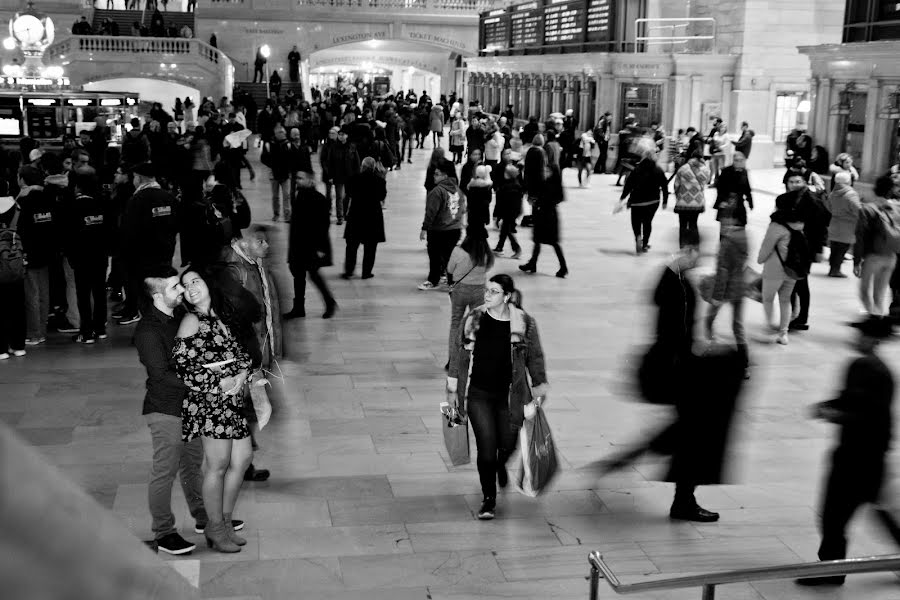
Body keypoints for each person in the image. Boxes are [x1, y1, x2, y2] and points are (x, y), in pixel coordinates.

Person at [797, 316, 895, 586]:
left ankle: (830, 570)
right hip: (865, 455)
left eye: (862, 334)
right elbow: (851, 400)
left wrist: (835, 414)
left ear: (875, 340)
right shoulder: (864, 366)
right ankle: (831, 568)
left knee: (834, 516)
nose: (856, 338)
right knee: (871, 508)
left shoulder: (872, 369)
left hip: (858, 457)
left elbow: (866, 414)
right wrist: (828, 406)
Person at [446, 274, 548, 520]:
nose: (487, 295)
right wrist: (452, 390)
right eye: (487, 290)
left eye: (494, 291)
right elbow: (458, 352)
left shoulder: (524, 323)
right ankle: (488, 499)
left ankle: (501, 464)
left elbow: (534, 356)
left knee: (508, 443)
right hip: (479, 393)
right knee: (487, 449)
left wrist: (539, 382)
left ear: (507, 296)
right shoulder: (474, 318)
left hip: (511, 395)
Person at [135, 269, 217, 556]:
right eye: (174, 288)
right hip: (165, 410)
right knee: (164, 473)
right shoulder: (147, 331)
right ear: (158, 295)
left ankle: (205, 519)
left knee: (192, 466)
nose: (181, 292)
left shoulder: (180, 317)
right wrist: (206, 382)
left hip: (189, 406)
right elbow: (161, 375)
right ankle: (164, 533)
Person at [174, 269, 253, 553]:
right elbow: (182, 368)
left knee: (242, 458)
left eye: (196, 280)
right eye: (185, 285)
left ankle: (225, 521)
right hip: (208, 403)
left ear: (208, 283)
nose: (191, 287)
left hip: (231, 401)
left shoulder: (221, 315)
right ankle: (215, 528)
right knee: (218, 465)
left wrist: (243, 375)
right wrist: (219, 383)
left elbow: (241, 353)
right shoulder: (191, 321)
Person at [220, 225, 281, 483]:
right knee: (247, 409)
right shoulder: (236, 270)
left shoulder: (253, 264)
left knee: (252, 408)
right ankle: (240, 463)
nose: (266, 246)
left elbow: (269, 310)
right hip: (246, 353)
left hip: (257, 350)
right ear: (242, 242)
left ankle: (243, 461)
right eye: (260, 241)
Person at [119, 162, 179, 325]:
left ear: (138, 178)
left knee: (145, 295)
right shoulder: (168, 197)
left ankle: (151, 329)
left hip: (142, 258)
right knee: (162, 292)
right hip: (165, 253)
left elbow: (128, 230)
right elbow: (176, 224)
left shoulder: (137, 199)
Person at [284, 168, 337, 319]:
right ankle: (299, 308)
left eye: (301, 178)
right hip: (298, 245)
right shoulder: (299, 195)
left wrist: (321, 248)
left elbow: (323, 226)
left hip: (311, 247)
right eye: (297, 178)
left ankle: (330, 302)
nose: (297, 181)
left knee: (313, 275)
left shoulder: (319, 199)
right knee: (299, 276)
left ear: (310, 180)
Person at [705, 198, 750, 374]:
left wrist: (717, 295)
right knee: (738, 326)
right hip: (740, 287)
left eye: (725, 217)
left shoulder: (727, 241)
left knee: (709, 319)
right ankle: (744, 364)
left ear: (733, 219)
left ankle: (709, 347)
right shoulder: (745, 236)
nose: (722, 221)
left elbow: (723, 270)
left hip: (725, 288)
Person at [65, 169, 110, 344]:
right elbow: (110, 230)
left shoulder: (73, 207)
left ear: (77, 187)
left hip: (81, 258)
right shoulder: (103, 204)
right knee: (99, 292)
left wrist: (70, 255)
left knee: (83, 294)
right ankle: (100, 328)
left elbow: (69, 235)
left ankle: (86, 331)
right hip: (100, 256)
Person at [447, 223, 494, 370]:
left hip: (460, 290)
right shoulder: (486, 254)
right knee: (476, 326)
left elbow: (449, 269)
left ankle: (453, 361)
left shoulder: (458, 251)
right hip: (479, 291)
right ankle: (478, 359)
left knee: (456, 323)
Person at [757, 202, 804, 345]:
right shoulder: (800, 225)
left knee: (768, 298)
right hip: (792, 270)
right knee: (785, 300)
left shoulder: (776, 226)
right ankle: (784, 333)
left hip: (774, 269)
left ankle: (771, 325)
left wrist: (760, 260)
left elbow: (766, 248)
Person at [18, 165, 54, 346]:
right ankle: (42, 329)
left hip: (29, 252)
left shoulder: (23, 201)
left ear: (23, 180)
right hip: (46, 251)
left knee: (31, 294)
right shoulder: (47, 197)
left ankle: (33, 333)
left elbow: (20, 227)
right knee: (43, 292)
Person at [854, 175, 900, 317]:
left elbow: (860, 237)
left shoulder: (867, 209)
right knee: (879, 294)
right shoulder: (896, 208)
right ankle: (878, 319)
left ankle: (873, 321)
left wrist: (857, 261)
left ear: (875, 189)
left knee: (864, 291)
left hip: (874, 256)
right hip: (891, 256)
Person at [418, 160, 465, 291]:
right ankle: (452, 282)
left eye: (437, 174)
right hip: (454, 229)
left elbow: (430, 212)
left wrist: (424, 228)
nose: (434, 176)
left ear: (445, 175)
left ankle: (433, 280)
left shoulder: (437, 191)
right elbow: (462, 209)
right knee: (449, 256)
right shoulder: (457, 190)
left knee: (435, 256)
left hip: (438, 230)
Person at [519, 163, 568, 278]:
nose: (546, 173)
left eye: (548, 171)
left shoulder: (554, 184)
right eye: (545, 171)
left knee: (553, 242)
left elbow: (556, 198)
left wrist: (540, 203)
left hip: (548, 216)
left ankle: (563, 267)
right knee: (538, 240)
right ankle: (533, 263)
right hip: (542, 215)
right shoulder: (547, 182)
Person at [342, 157, 386, 279]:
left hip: (356, 214)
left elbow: (349, 193)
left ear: (362, 166)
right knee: (370, 247)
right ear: (373, 168)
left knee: (351, 245)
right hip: (373, 216)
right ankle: (366, 272)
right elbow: (382, 196)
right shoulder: (380, 181)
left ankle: (349, 271)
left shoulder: (353, 179)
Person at [620, 145, 668, 255]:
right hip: (653, 201)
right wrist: (665, 201)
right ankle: (645, 244)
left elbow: (629, 185)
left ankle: (638, 236)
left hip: (637, 201)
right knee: (647, 222)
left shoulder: (637, 169)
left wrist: (622, 197)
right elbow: (664, 186)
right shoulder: (658, 170)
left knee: (636, 221)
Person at [0, 184, 25, 360]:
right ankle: (18, 345)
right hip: (15, 260)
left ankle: (1, 348)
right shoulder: (16, 207)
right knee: (17, 305)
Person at [825, 171, 860, 278]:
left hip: (835, 223)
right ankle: (836, 270)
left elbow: (829, 207)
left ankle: (832, 269)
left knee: (834, 248)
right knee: (842, 248)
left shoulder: (833, 193)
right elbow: (858, 209)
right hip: (848, 225)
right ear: (848, 180)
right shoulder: (850, 194)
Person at [672, 149, 710, 249]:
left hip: (683, 202)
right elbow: (705, 184)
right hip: (697, 202)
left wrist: (678, 196)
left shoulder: (682, 169)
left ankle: (682, 247)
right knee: (693, 224)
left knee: (683, 225)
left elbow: (676, 185)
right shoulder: (706, 170)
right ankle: (695, 247)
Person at [712, 151, 753, 229]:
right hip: (726, 202)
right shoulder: (726, 171)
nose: (739, 163)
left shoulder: (744, 172)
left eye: (741, 160)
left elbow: (747, 189)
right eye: (737, 160)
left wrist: (750, 202)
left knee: (740, 225)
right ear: (733, 161)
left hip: (739, 203)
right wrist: (722, 201)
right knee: (725, 226)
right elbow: (719, 187)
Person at [261, 124, 292, 222]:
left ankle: (287, 215)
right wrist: (272, 164)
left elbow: (292, 158)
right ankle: (276, 214)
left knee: (286, 195)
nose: (284, 134)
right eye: (281, 132)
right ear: (276, 133)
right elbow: (263, 158)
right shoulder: (269, 144)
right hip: (274, 174)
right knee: (275, 196)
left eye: (284, 132)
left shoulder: (287, 144)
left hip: (285, 174)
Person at [493, 164, 523, 258]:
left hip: (507, 212)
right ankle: (499, 247)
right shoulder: (516, 185)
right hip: (513, 211)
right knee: (505, 229)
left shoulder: (506, 187)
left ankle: (516, 248)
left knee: (507, 230)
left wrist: (498, 215)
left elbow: (501, 202)